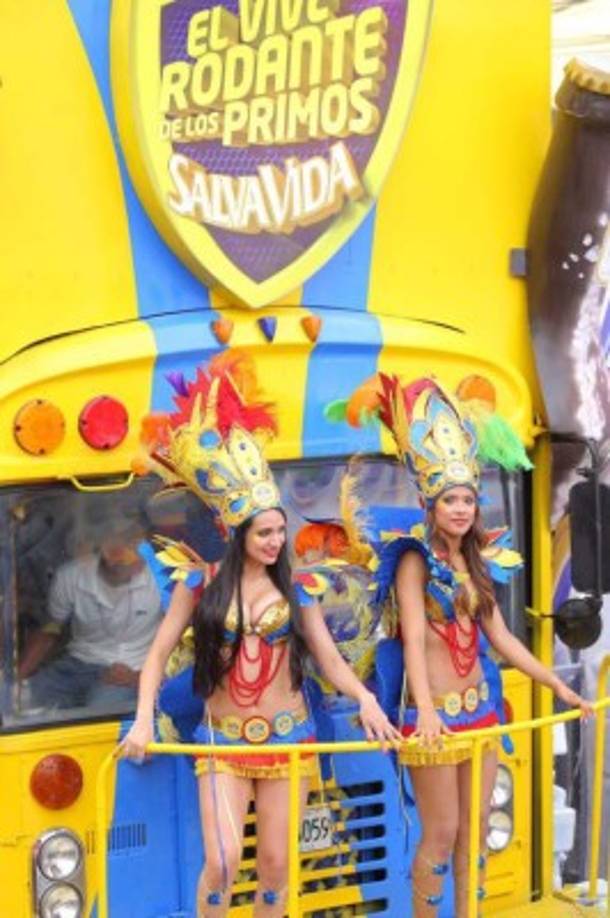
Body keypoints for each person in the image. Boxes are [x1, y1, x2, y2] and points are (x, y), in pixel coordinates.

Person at [119, 351, 399, 918]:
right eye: (265, 532)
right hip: (222, 743)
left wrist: (366, 697)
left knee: (275, 869)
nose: (276, 541)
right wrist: (146, 717)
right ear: (238, 531)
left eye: (280, 530)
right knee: (221, 863)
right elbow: (155, 660)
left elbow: (327, 660)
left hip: (289, 740)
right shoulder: (198, 584)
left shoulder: (301, 589)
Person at [339, 373, 593, 917]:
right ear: (430, 505)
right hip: (432, 720)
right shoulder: (411, 559)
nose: (461, 509)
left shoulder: (476, 562)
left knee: (475, 830)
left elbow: (499, 637)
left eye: (468, 500)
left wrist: (554, 684)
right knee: (441, 831)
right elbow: (410, 637)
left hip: (479, 712)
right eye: (450, 499)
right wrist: (426, 710)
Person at [18, 514, 162, 712]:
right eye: (115, 539)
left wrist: (140, 677)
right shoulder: (71, 576)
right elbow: (50, 630)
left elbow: (182, 646)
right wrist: (16, 682)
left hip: (129, 672)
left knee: (98, 714)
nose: (122, 551)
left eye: (133, 541)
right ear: (101, 543)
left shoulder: (163, 581)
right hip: (77, 665)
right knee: (17, 702)